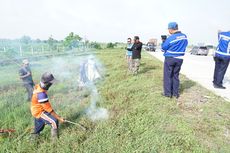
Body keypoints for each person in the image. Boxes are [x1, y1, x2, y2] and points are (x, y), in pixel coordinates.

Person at [31, 72, 65, 140]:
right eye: (51, 83)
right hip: (40, 111)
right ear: (47, 83)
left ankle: (34, 138)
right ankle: (54, 140)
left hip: (35, 109)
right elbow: (49, 109)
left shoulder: (39, 86)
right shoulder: (41, 94)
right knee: (54, 121)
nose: (52, 84)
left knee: (39, 125)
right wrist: (59, 118)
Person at [161, 22, 188, 98]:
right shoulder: (184, 36)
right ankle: (175, 94)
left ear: (170, 29)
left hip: (170, 58)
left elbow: (164, 47)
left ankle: (168, 93)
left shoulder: (171, 38)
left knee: (168, 76)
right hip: (179, 59)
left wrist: (164, 41)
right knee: (175, 76)